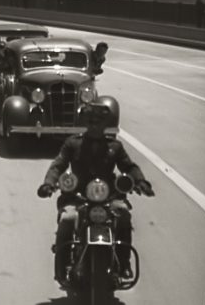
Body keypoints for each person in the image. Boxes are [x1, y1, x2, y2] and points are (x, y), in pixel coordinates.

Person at [37, 102, 154, 284]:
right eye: (91, 122)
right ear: (86, 123)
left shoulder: (114, 146)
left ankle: (123, 263)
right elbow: (58, 165)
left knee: (123, 215)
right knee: (68, 218)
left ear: (105, 125)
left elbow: (128, 166)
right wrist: (49, 183)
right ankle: (63, 266)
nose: (94, 126)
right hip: (77, 197)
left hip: (108, 197)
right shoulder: (72, 143)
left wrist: (140, 181)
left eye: (99, 122)